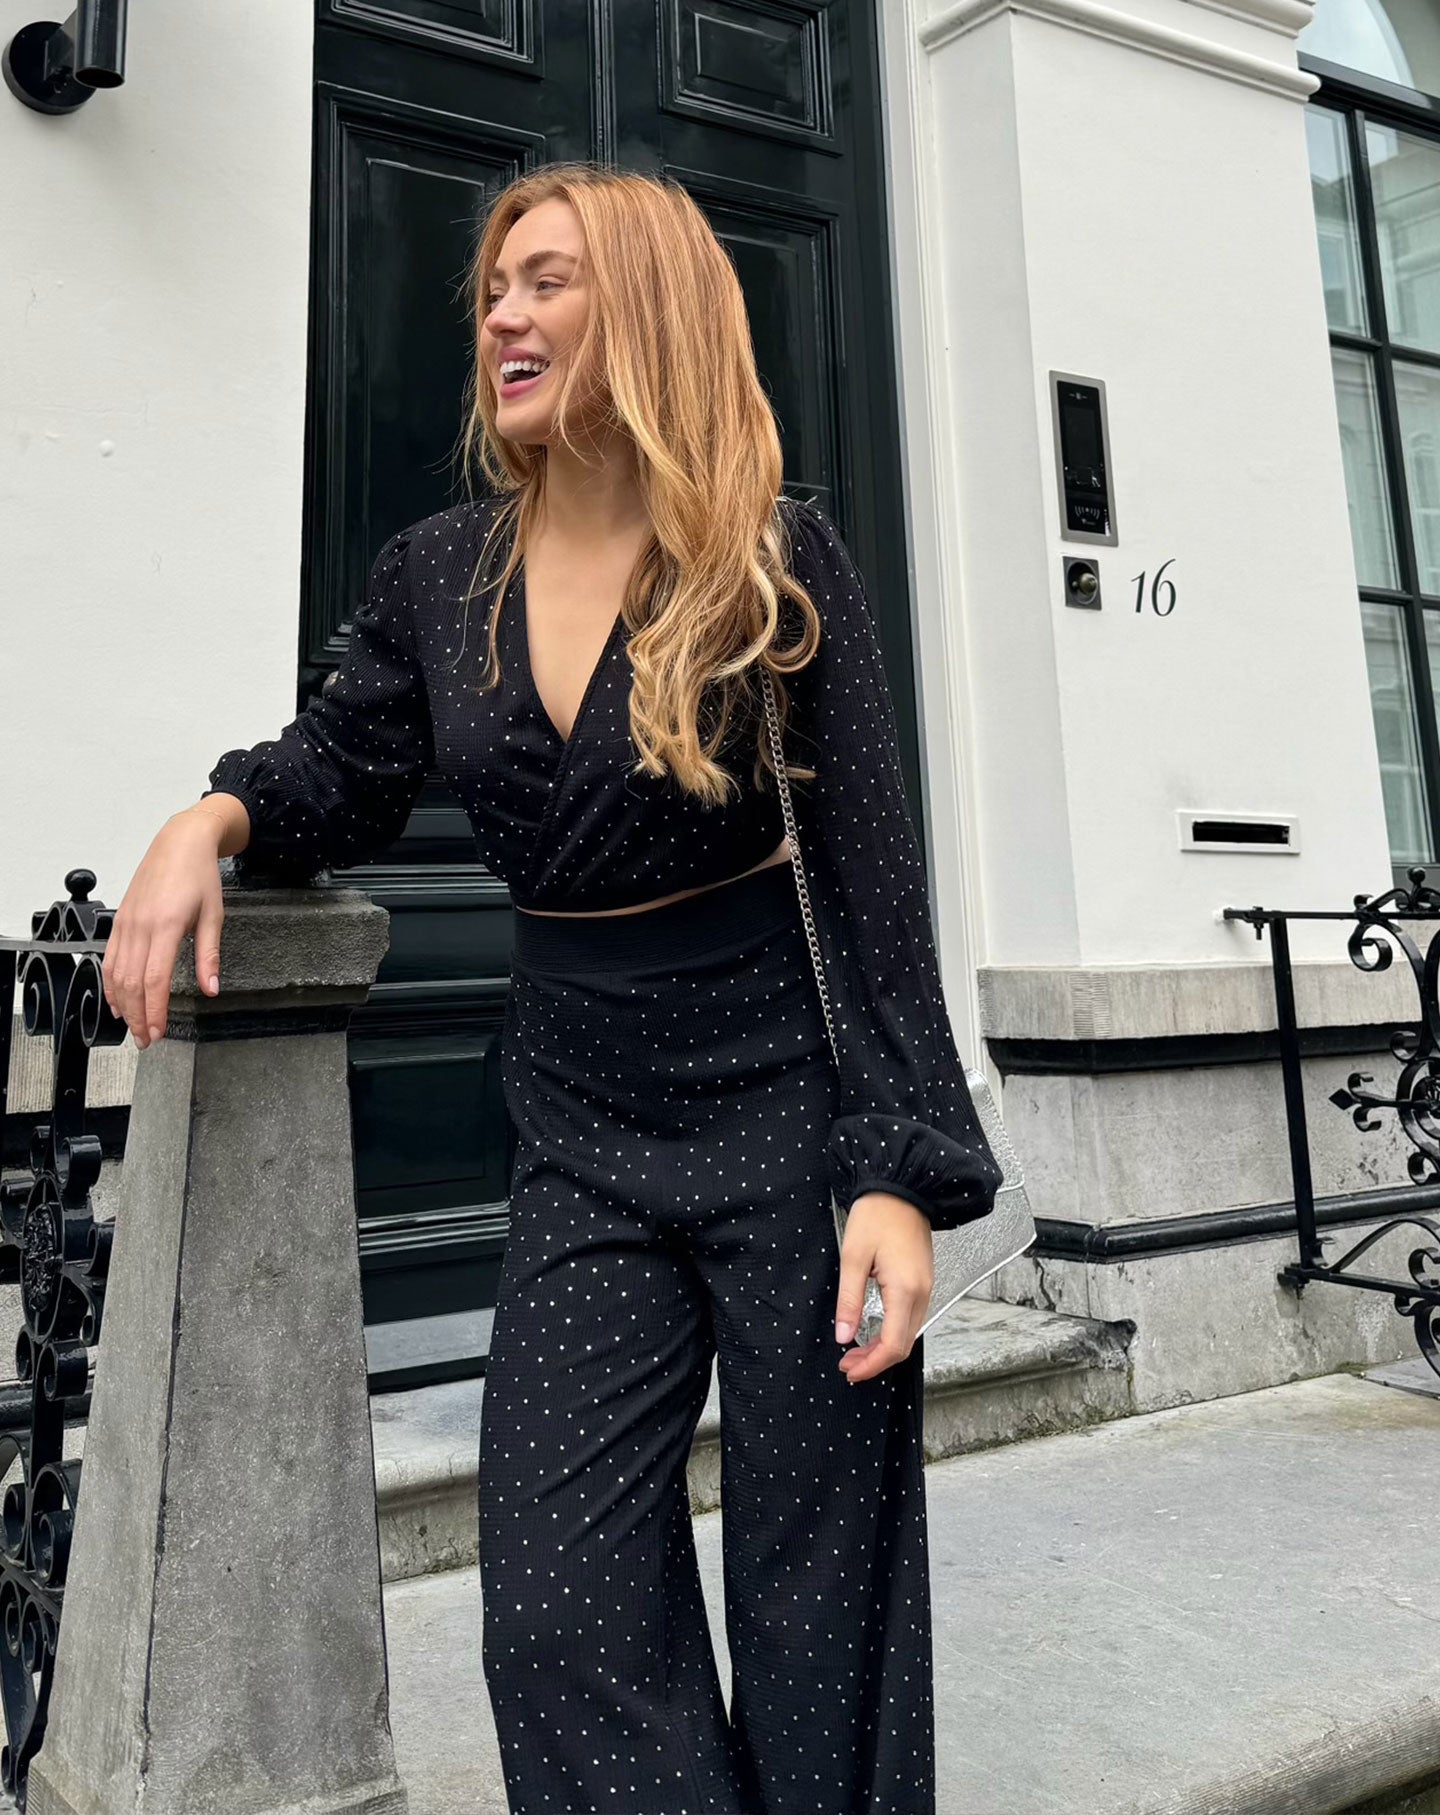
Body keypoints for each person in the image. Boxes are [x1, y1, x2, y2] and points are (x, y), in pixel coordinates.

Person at [102, 161, 1003, 1815]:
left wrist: (896, 1173)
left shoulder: (776, 563)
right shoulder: (440, 571)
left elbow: (876, 884)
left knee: (821, 1600)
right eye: (495, 290)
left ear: (645, 309)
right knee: (554, 1603)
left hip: (788, 1119)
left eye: (548, 282)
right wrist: (206, 821)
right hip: (581, 1126)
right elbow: (342, 765)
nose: (502, 316)